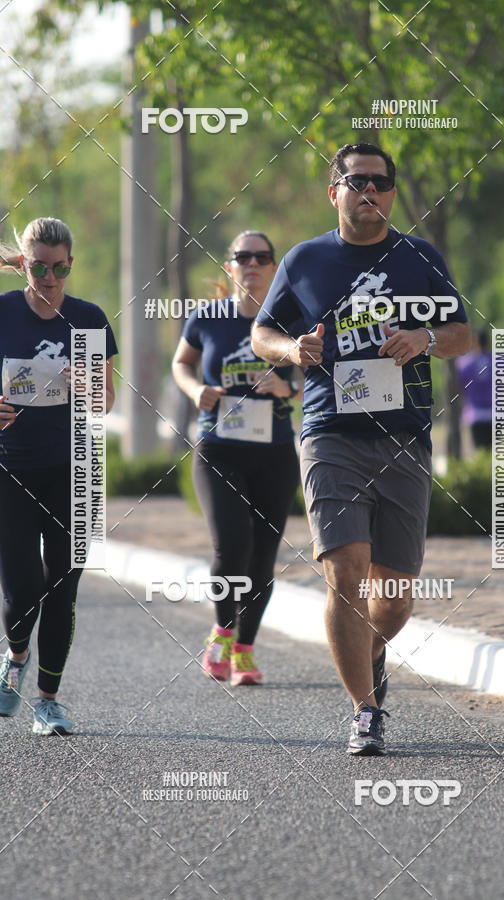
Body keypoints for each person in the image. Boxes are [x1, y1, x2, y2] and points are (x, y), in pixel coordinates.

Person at [252, 143, 471, 755]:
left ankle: (369, 653)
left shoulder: (420, 258)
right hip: (329, 434)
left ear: (392, 193)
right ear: (335, 192)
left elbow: (461, 334)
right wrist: (294, 351)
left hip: (404, 436)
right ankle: (365, 712)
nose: (368, 191)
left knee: (394, 598)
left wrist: (423, 337)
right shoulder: (305, 260)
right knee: (345, 571)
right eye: (356, 181)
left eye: (380, 182)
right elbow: (262, 332)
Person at [0, 217, 117, 735]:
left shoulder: (89, 320)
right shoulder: (2, 312)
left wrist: (87, 383)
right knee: (22, 586)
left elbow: (106, 402)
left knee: (65, 584)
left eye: (60, 267)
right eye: (39, 266)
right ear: (24, 263)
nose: (49, 277)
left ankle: (48, 701)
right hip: (11, 467)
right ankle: (16, 653)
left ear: (71, 265)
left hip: (77, 469)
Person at [172, 231, 300, 686]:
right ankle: (223, 631)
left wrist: (289, 388)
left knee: (263, 556)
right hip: (218, 447)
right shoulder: (207, 317)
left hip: (274, 450)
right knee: (232, 545)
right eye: (242, 256)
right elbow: (182, 363)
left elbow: (317, 371)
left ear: (273, 267)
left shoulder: (291, 318)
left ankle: (244, 650)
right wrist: (195, 390)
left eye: (262, 257)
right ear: (230, 267)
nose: (252, 263)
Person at [456, 328, 493, 449]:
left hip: (475, 414)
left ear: (475, 342)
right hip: (496, 413)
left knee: (480, 453)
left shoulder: (465, 363)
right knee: (496, 455)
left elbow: (459, 387)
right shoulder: (499, 361)